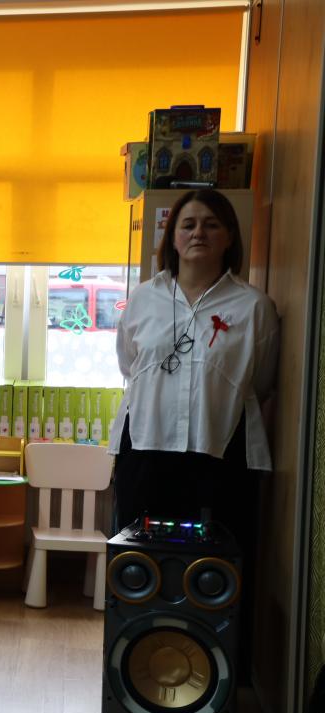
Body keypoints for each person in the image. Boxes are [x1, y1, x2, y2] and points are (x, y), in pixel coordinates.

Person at [110, 188, 278, 679]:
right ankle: (136, 672)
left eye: (211, 224)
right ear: (173, 237)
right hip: (146, 445)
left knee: (214, 571)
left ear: (229, 237)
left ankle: (214, 681)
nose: (198, 232)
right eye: (188, 224)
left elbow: (262, 381)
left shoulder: (253, 306)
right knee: (140, 567)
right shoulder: (143, 299)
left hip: (220, 451)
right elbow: (129, 365)